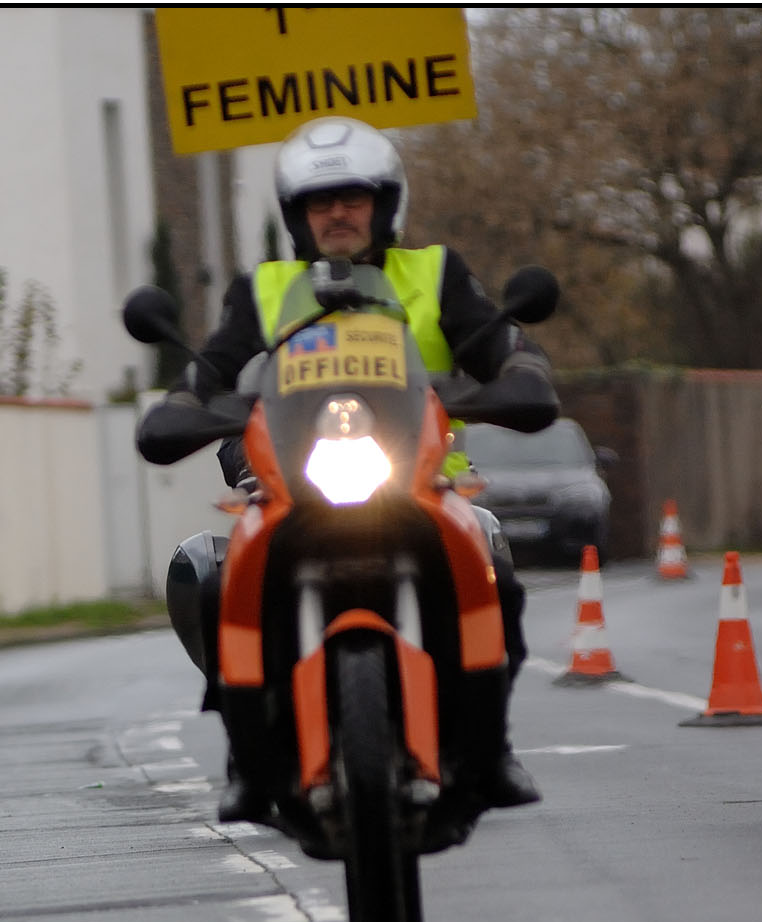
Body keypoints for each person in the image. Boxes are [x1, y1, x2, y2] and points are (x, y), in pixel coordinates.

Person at [155, 115, 553, 817]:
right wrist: (189, 404)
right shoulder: (264, 291)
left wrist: (520, 369)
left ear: (384, 203)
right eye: (320, 200)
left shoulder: (435, 274)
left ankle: (490, 750)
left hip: (420, 483)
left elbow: (500, 347)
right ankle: (250, 757)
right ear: (297, 214)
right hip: (291, 488)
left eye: (353, 196)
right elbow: (216, 375)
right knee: (213, 572)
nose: (337, 212)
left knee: (489, 549)